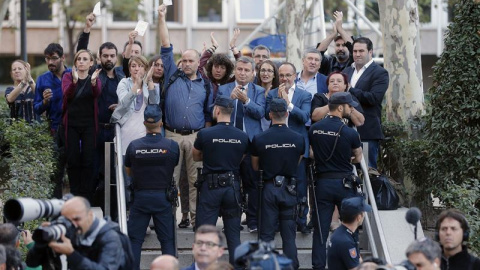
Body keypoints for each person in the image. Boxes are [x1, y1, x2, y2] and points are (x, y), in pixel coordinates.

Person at [158, 4, 213, 229]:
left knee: (194, 180)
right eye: (184, 60)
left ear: (198, 63)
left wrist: (205, 138)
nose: (187, 64)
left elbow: (209, 114)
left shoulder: (206, 85)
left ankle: (194, 218)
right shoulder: (172, 74)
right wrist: (162, 18)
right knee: (170, 180)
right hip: (171, 135)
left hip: (196, 137)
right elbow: (165, 45)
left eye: (191, 60)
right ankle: (169, 218)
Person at [76, 12, 126, 211]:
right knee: (92, 171)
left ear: (117, 57)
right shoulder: (92, 72)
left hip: (116, 131)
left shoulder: (123, 74)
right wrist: (87, 28)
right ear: (99, 57)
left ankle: (114, 214)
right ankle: (88, 213)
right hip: (95, 130)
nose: (108, 59)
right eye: (105, 55)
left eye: (112, 56)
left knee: (115, 175)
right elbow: (81, 53)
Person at [308, 92, 363, 270]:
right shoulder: (349, 132)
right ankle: (351, 264)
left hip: (322, 183)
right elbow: (358, 157)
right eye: (349, 106)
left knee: (320, 229)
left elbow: (311, 154)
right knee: (350, 226)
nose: (351, 109)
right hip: (344, 184)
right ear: (340, 108)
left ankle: (318, 266)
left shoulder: (314, 129)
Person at [192, 95, 249, 267]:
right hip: (232, 187)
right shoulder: (242, 136)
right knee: (233, 235)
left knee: (205, 233)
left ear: (217, 110)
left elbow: (196, 156)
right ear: (231, 112)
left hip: (211, 187)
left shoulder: (205, 133)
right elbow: (242, 157)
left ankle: (204, 267)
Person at [251, 98, 305, 269]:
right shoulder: (298, 138)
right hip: (290, 188)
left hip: (268, 188)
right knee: (289, 235)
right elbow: (298, 160)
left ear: (269, 115)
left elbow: (255, 166)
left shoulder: (259, 138)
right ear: (287, 114)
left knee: (266, 234)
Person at [124, 104, 179, 270]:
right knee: (167, 240)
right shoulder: (171, 146)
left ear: (143, 123)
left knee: (135, 240)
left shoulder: (133, 146)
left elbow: (129, 171)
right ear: (161, 123)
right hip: (163, 198)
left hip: (140, 198)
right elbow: (174, 164)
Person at [218, 56, 266, 233]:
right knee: (230, 184)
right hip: (229, 143)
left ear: (253, 73)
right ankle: (232, 221)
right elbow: (215, 113)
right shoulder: (223, 89)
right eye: (239, 69)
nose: (243, 73)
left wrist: (246, 100)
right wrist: (229, 101)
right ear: (235, 71)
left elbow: (261, 112)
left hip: (251, 143)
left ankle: (252, 220)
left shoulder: (258, 90)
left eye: (246, 70)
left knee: (252, 183)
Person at [265, 62, 312, 234]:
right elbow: (265, 114)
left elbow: (305, 117)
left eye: (288, 75)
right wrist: (277, 100)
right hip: (276, 147)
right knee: (277, 186)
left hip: (297, 147)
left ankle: (301, 221)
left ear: (295, 76)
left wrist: (288, 103)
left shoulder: (304, 95)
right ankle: (277, 221)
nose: (284, 78)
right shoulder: (271, 93)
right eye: (282, 75)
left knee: (300, 186)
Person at [26, 196, 125, 269]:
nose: (73, 224)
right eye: (68, 220)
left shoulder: (109, 237)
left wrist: (71, 254)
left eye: (77, 219)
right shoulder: (62, 231)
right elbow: (32, 263)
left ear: (90, 215)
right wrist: (42, 241)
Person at [61, 49, 102, 202]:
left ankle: (86, 197)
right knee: (72, 161)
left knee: (88, 160)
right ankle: (74, 195)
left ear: (91, 63)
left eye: (85, 59)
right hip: (71, 125)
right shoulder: (67, 76)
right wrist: (74, 82)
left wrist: (92, 83)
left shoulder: (95, 78)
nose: (81, 61)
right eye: (79, 59)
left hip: (89, 125)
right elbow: (67, 94)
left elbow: (97, 93)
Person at [343, 37, 389, 169]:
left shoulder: (380, 72)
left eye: (361, 51)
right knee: (346, 170)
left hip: (367, 131)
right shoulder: (347, 71)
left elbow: (374, 98)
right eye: (355, 51)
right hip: (344, 131)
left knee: (367, 173)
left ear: (370, 52)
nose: (357, 54)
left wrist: (351, 90)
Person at [33, 43, 71, 199]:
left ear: (62, 58)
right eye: (47, 59)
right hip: (54, 131)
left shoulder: (72, 75)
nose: (50, 62)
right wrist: (44, 102)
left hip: (74, 130)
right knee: (55, 174)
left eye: (54, 58)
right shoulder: (42, 80)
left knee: (76, 172)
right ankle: (55, 213)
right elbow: (36, 108)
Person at [327, 197, 372, 270]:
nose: (364, 215)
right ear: (359, 217)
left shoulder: (342, 233)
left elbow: (358, 258)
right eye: (363, 212)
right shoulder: (346, 241)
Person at [199, 30, 241, 99]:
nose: (218, 70)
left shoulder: (231, 83)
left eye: (222, 68)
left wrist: (233, 46)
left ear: (227, 70)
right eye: (216, 67)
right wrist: (214, 46)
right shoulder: (205, 81)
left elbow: (242, 66)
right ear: (211, 67)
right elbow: (198, 66)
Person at [316, 11, 354, 75]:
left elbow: (354, 48)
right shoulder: (328, 63)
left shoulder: (354, 63)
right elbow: (317, 53)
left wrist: (340, 29)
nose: (340, 48)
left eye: (344, 45)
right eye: (338, 45)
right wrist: (333, 34)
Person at [255, 60, 279, 131]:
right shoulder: (253, 90)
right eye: (263, 70)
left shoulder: (278, 92)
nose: (265, 73)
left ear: (274, 74)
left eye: (269, 71)